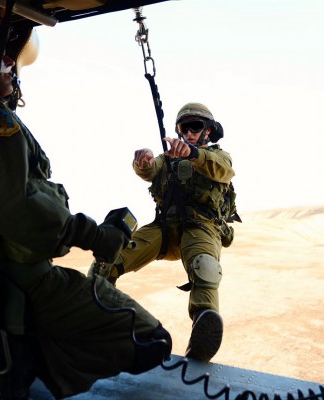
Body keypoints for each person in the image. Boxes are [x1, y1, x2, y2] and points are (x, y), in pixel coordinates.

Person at [0, 16, 172, 399]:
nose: (8, 61)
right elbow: (14, 207)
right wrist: (97, 236)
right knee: (152, 340)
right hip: (18, 279)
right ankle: (18, 354)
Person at [90, 102, 239, 363]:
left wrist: (194, 154)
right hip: (164, 230)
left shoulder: (219, 156)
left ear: (208, 130)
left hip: (201, 228)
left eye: (196, 126)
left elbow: (223, 170)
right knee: (108, 258)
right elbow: (150, 170)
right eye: (184, 127)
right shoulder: (169, 157)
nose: (190, 132)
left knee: (205, 266)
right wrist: (143, 161)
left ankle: (203, 330)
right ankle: (95, 317)